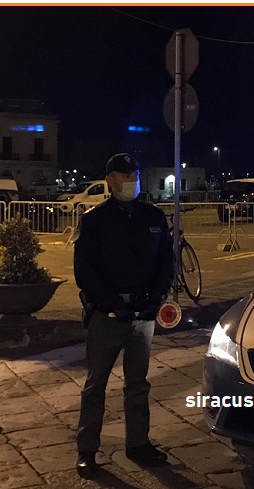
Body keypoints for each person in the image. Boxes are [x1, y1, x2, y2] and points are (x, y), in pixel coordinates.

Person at [73, 153, 177, 472]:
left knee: (138, 383)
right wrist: (111, 303)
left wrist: (156, 299)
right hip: (107, 315)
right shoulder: (94, 221)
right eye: (124, 175)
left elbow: (167, 262)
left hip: (143, 314)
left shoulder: (153, 216)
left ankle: (139, 444)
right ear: (110, 180)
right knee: (96, 384)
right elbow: (85, 271)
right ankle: (87, 451)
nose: (131, 179)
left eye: (134, 174)